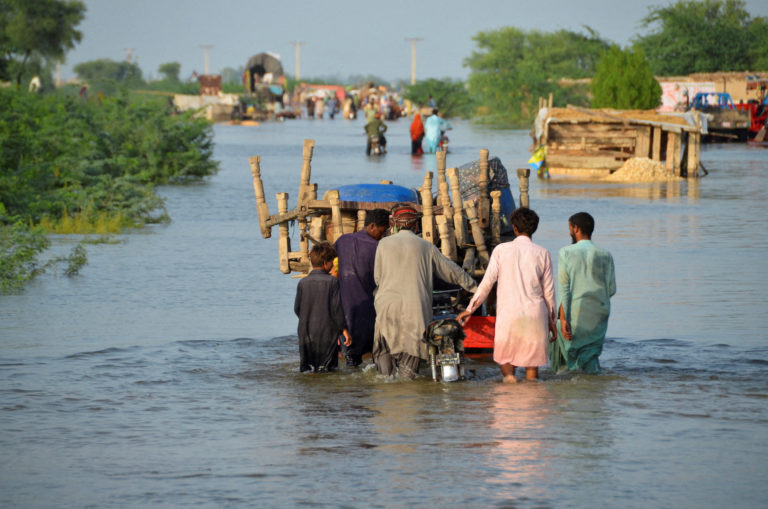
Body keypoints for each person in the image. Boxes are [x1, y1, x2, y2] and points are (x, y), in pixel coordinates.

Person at [373, 204, 478, 379]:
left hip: (386, 305)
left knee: (384, 348)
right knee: (411, 355)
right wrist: (476, 288)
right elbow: (452, 271)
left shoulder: (383, 244)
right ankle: (407, 386)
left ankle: (386, 382)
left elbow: (377, 278)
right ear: (415, 225)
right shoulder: (426, 246)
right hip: (415, 308)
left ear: (396, 224)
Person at [457, 208, 557, 382]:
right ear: (534, 228)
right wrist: (552, 322)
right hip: (535, 315)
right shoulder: (543, 253)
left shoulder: (501, 250)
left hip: (509, 315)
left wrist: (470, 309)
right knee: (532, 368)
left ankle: (509, 393)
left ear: (514, 228)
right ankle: (532, 403)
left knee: (506, 362)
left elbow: (487, 283)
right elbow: (549, 293)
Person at [549, 212, 616, 374]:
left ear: (576, 228)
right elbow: (612, 289)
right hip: (599, 313)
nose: (570, 232)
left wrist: (563, 319)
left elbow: (565, 289)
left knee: (567, 354)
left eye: (570, 228)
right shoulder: (605, 255)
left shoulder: (566, 252)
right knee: (591, 356)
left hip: (576, 312)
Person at [334, 209, 390, 367]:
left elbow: (332, 261)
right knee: (375, 355)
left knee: (351, 358)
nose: (383, 235)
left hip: (344, 309)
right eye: (382, 231)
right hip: (368, 308)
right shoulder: (377, 248)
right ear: (372, 226)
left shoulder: (342, 240)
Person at [294, 242, 352, 373]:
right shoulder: (332, 282)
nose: (332, 265)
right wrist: (344, 330)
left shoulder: (302, 283)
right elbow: (336, 309)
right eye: (331, 262)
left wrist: (307, 320)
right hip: (327, 333)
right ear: (326, 262)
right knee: (328, 370)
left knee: (307, 370)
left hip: (305, 333)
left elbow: (297, 309)